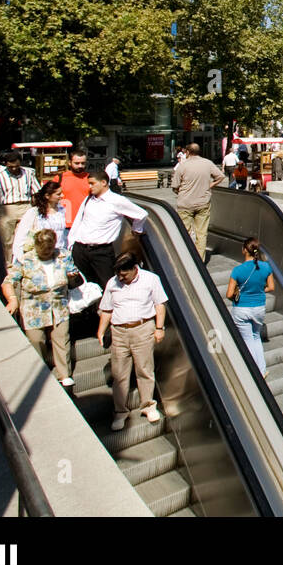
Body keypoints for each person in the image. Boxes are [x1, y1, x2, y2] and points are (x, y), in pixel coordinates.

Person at [97, 252, 168, 430]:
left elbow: (160, 304)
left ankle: (148, 406)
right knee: (119, 373)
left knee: (144, 368)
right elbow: (106, 309)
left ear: (134, 269)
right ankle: (120, 412)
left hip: (143, 328)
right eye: (119, 274)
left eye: (124, 274)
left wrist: (159, 328)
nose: (121, 277)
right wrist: (101, 331)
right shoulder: (112, 283)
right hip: (119, 331)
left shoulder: (151, 279)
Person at [2, 229, 79, 386]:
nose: (46, 253)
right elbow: (8, 282)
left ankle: (64, 374)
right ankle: (40, 373)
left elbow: (73, 274)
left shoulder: (63, 256)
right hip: (33, 308)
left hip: (58, 305)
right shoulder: (25, 260)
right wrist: (12, 300)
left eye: (49, 249)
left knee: (61, 339)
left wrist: (72, 277)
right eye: (42, 250)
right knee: (37, 341)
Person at [67, 170, 149, 296]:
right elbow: (79, 220)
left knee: (108, 286)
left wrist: (136, 230)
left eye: (92, 183)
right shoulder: (89, 199)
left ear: (104, 183)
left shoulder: (117, 200)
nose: (89, 187)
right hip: (80, 249)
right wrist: (71, 243)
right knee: (82, 287)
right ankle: (89, 314)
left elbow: (141, 214)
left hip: (101, 251)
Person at [226, 236, 276, 376]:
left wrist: (239, 294)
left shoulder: (237, 270)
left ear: (244, 250)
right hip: (259, 308)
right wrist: (259, 290)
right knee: (256, 337)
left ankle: (255, 373)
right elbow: (271, 287)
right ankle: (262, 369)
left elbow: (229, 294)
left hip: (242, 308)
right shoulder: (265, 267)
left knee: (247, 339)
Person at [0, 151, 41, 265]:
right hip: (7, 209)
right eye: (10, 166)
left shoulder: (28, 173)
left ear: (20, 163)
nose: (13, 169)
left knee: (27, 237)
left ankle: (26, 262)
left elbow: (36, 192)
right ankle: (8, 264)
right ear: (5, 164)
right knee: (7, 240)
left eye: (16, 166)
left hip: (25, 206)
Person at [170, 143, 224, 260]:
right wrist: (210, 185)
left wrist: (182, 192)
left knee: (184, 232)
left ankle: (186, 259)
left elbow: (175, 186)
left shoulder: (182, 166)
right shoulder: (207, 163)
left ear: (187, 152)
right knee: (201, 233)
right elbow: (220, 176)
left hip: (185, 204)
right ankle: (200, 260)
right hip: (203, 203)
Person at [9, 181, 68, 263]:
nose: (62, 196)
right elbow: (20, 237)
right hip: (40, 257)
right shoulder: (34, 213)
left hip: (58, 256)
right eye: (58, 194)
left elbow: (65, 234)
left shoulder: (62, 210)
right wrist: (21, 259)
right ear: (47, 196)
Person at [54, 149, 91, 237]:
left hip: (86, 223)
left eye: (83, 163)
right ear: (69, 163)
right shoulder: (59, 178)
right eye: (77, 163)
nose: (80, 166)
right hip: (66, 223)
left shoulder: (91, 178)